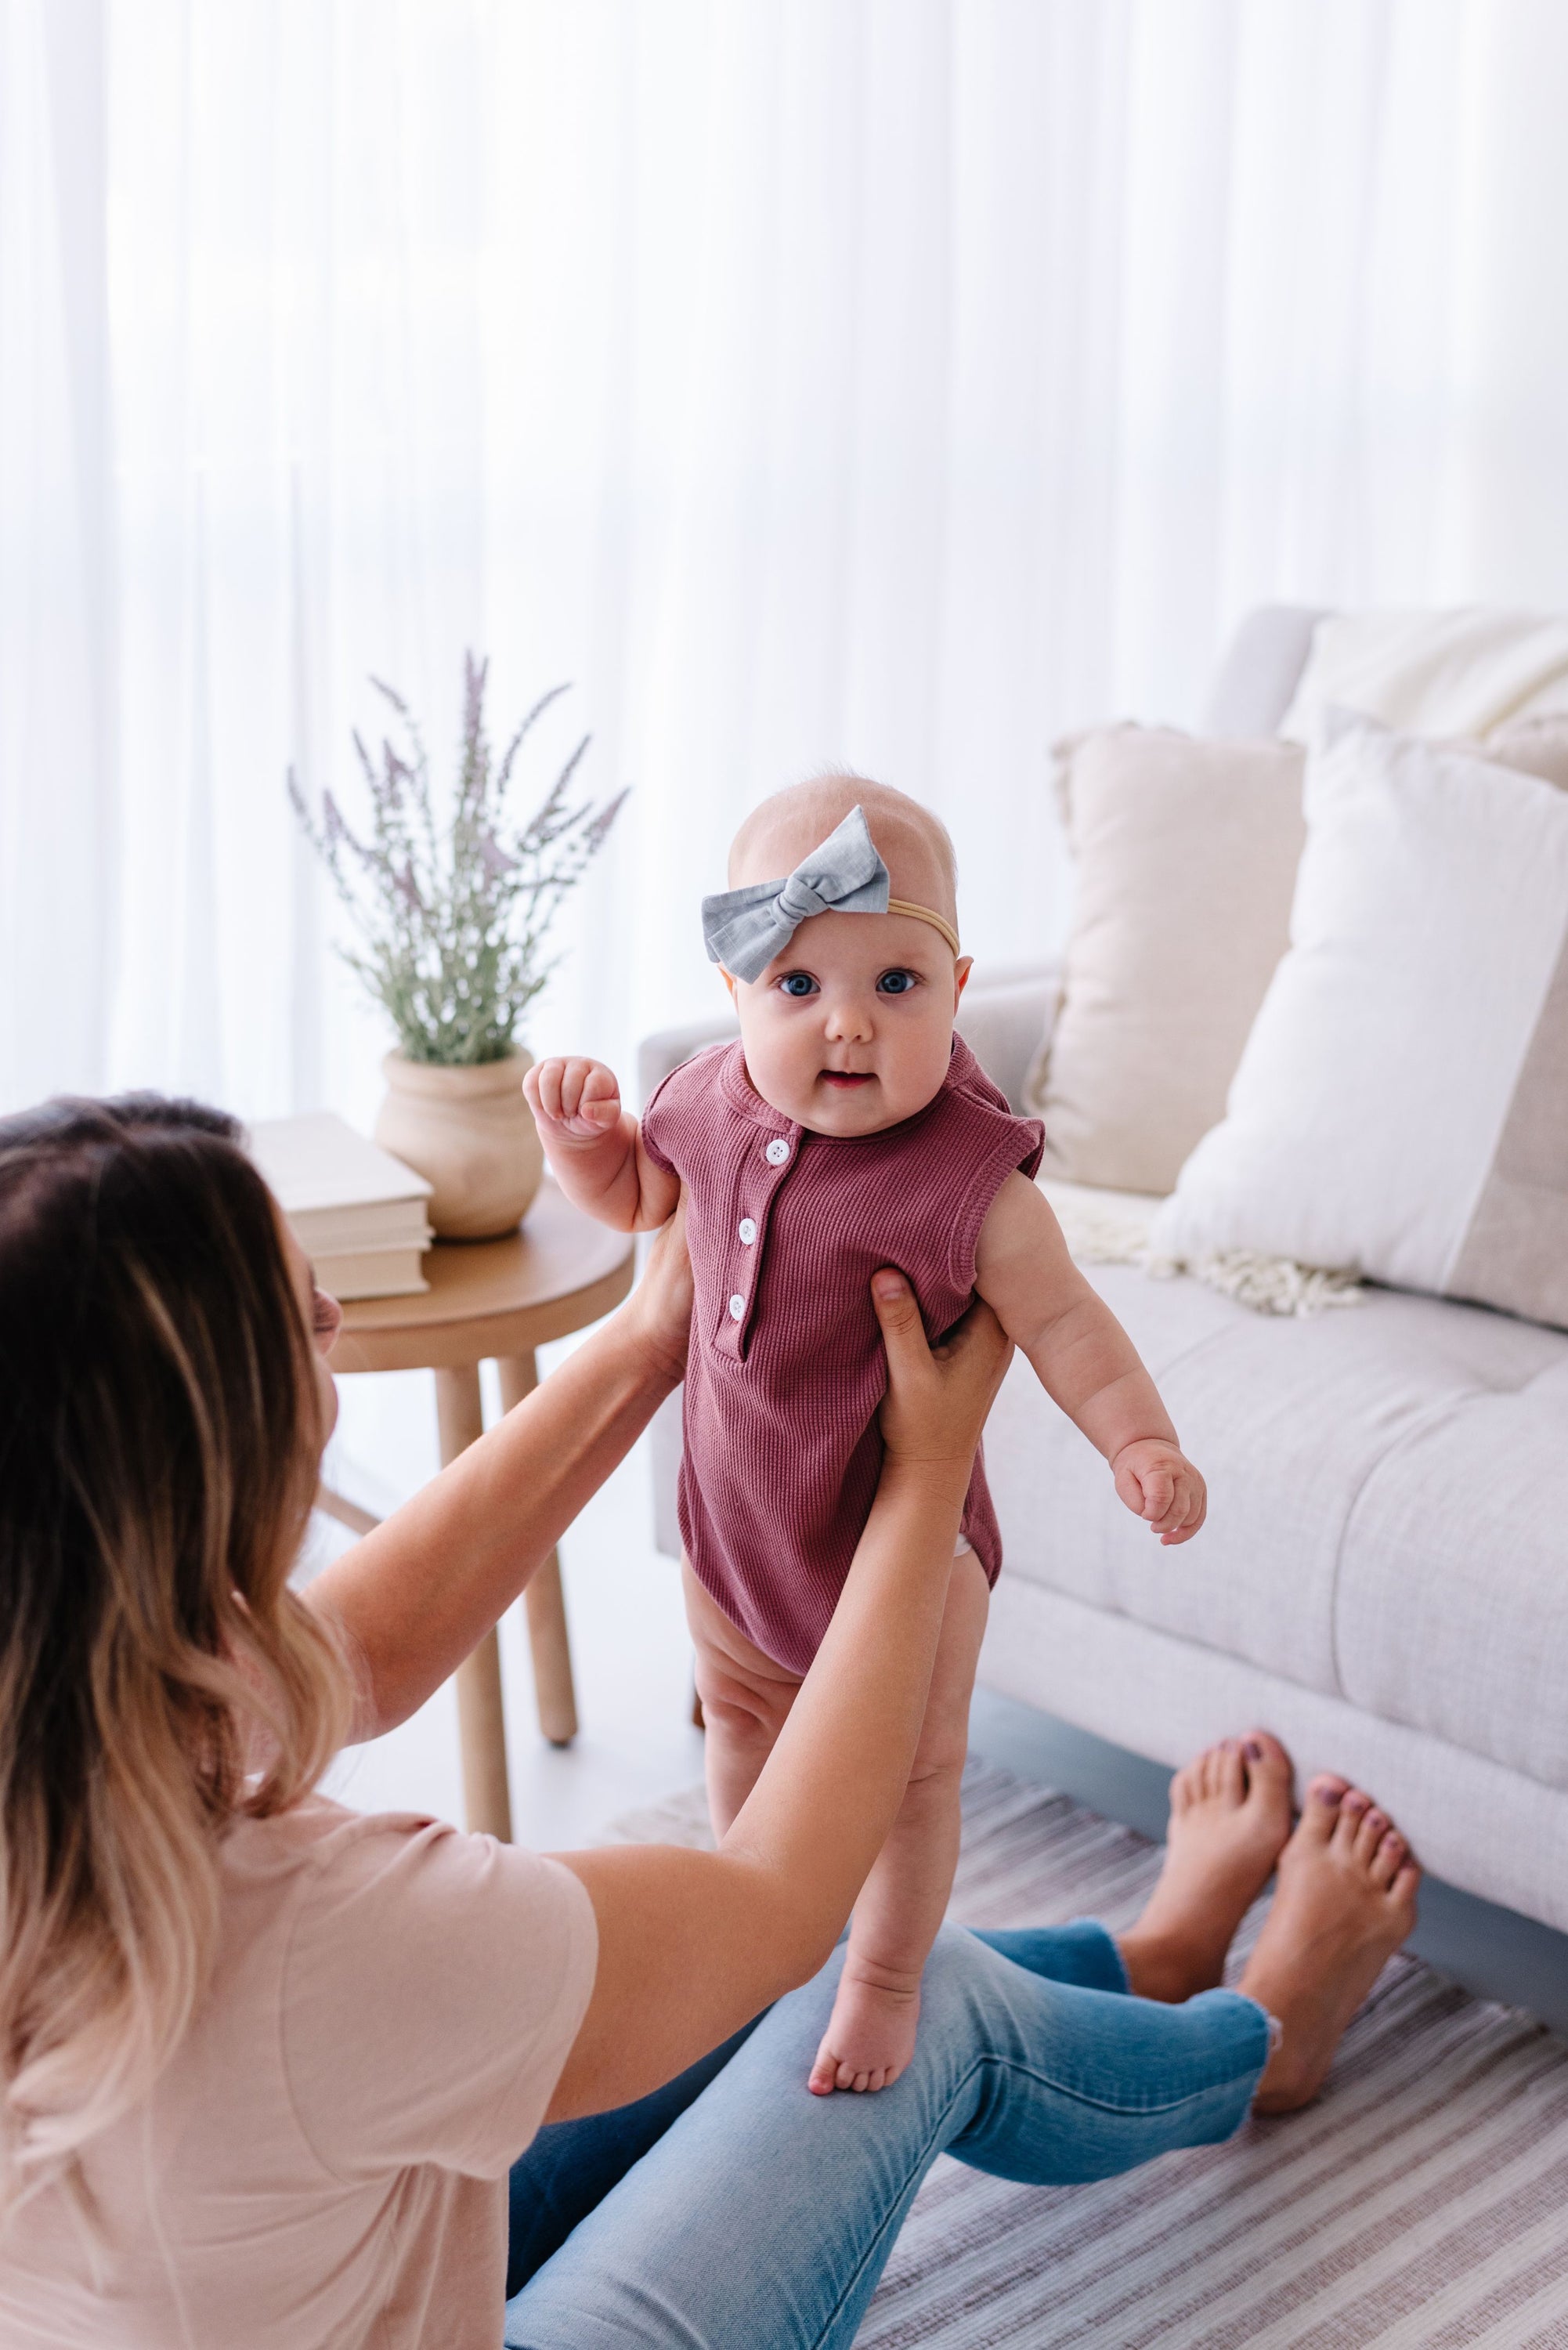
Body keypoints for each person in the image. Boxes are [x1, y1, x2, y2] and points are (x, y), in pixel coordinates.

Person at [0, 1092, 1419, 2350]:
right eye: (305, 1315)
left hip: (299, 2259)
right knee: (903, 1996)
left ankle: (1147, 1955)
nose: (339, 1327)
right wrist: (922, 1481)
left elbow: (345, 1661)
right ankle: (1258, 2042)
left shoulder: (55, 1692)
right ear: (212, 1464)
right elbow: (776, 1902)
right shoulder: (326, 1941)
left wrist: (646, 1341)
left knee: (861, 1970)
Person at [525, 777, 1208, 2096]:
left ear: (957, 985)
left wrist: (1138, 1440)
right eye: (798, 987)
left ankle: (887, 1978)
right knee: (739, 1722)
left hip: (904, 1559)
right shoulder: (705, 1097)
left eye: (895, 983)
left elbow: (1065, 1322)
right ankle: (757, 1941)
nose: (847, 1024)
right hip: (738, 1531)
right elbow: (633, 1201)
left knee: (908, 1782)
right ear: (733, 994)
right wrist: (578, 1145)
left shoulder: (970, 1171)